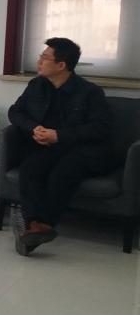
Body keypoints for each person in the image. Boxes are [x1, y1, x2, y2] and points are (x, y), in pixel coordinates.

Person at [7, 37, 112, 256]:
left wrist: (59, 135)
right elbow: (15, 112)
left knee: (63, 172)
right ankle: (35, 225)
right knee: (30, 169)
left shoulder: (89, 92)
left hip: (84, 150)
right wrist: (33, 128)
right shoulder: (36, 85)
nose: (39, 61)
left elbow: (100, 129)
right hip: (50, 148)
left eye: (45, 58)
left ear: (61, 65)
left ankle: (40, 226)